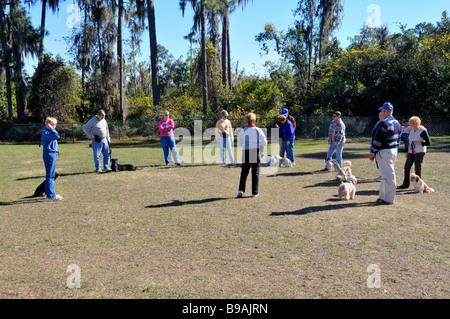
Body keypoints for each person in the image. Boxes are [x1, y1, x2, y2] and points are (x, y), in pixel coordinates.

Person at [370, 102, 402, 205]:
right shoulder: (397, 123)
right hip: (393, 150)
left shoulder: (383, 123)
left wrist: (373, 152)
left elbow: (377, 140)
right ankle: (383, 196)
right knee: (385, 175)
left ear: (384, 112)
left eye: (381, 111)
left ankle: (388, 198)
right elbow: (400, 138)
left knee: (388, 176)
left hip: (384, 151)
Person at [237, 113, 268, 198]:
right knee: (255, 172)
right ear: (254, 120)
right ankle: (254, 192)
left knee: (244, 172)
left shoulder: (243, 130)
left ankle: (241, 189)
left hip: (246, 152)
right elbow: (265, 142)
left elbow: (239, 144)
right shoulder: (258, 130)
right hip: (255, 151)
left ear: (246, 121)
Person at [397, 116, 431, 189]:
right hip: (411, 151)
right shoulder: (411, 129)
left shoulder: (423, 130)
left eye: (415, 126)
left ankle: (419, 186)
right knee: (407, 167)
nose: (413, 127)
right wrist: (407, 152)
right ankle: (405, 184)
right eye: (412, 126)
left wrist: (417, 143)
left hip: (419, 151)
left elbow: (428, 143)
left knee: (417, 168)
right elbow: (410, 141)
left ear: (418, 124)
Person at [41, 117, 62, 202]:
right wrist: (51, 129)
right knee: (50, 175)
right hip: (49, 154)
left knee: (52, 175)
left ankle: (49, 193)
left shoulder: (48, 131)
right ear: (51, 125)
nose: (55, 127)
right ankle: (51, 196)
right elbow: (57, 136)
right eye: (54, 125)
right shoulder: (46, 132)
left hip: (52, 153)